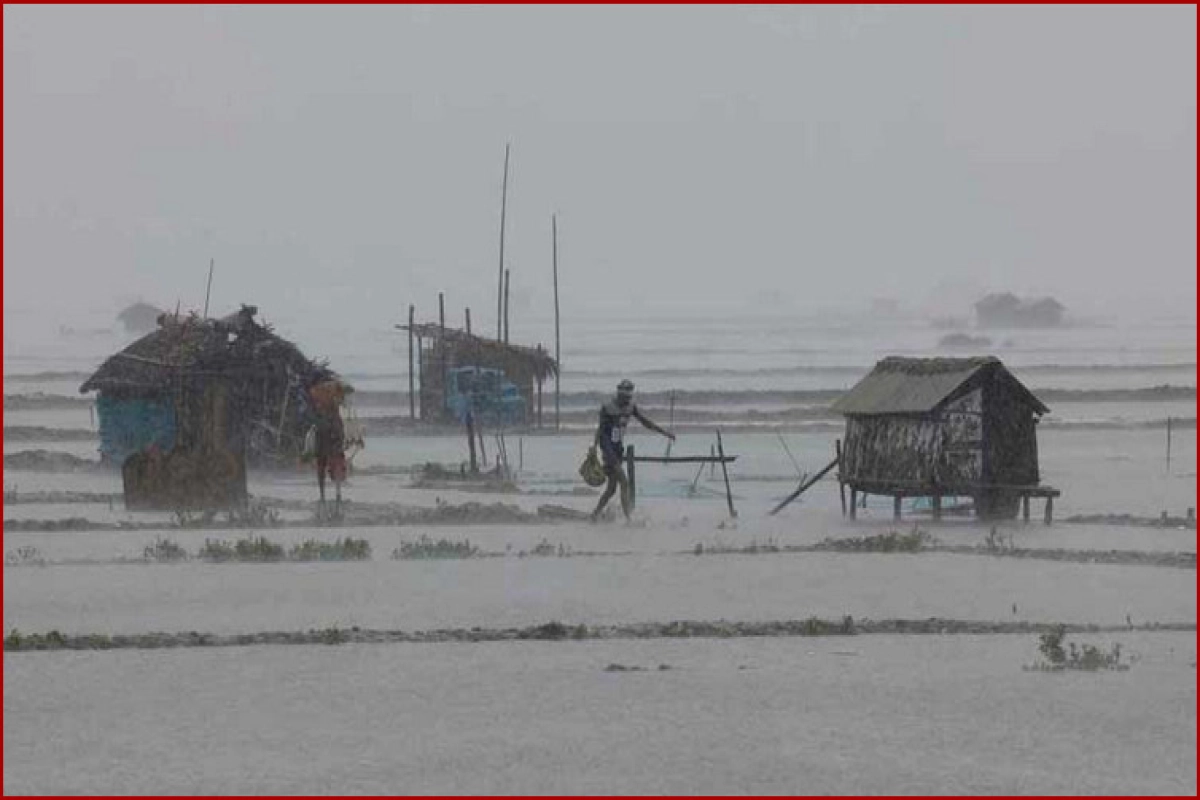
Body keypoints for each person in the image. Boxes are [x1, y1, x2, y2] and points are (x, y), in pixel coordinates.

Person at [591, 379, 675, 522]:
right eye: (624, 398)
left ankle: (594, 515)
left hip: (618, 449)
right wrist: (595, 448)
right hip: (608, 449)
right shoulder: (607, 408)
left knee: (611, 489)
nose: (626, 401)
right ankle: (628, 518)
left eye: (629, 397)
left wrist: (664, 432)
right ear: (619, 395)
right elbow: (601, 431)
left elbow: (645, 422)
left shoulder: (630, 408)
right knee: (624, 482)